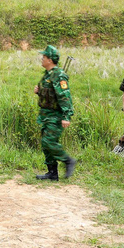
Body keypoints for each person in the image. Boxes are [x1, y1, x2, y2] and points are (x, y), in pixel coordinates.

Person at [34, 45, 76, 181]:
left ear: (50, 60)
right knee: (45, 145)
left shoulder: (59, 75)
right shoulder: (48, 75)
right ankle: (52, 173)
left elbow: (65, 97)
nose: (42, 59)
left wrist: (66, 116)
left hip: (55, 116)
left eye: (44, 57)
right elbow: (50, 94)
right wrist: (38, 91)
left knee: (49, 141)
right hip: (45, 115)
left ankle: (68, 161)